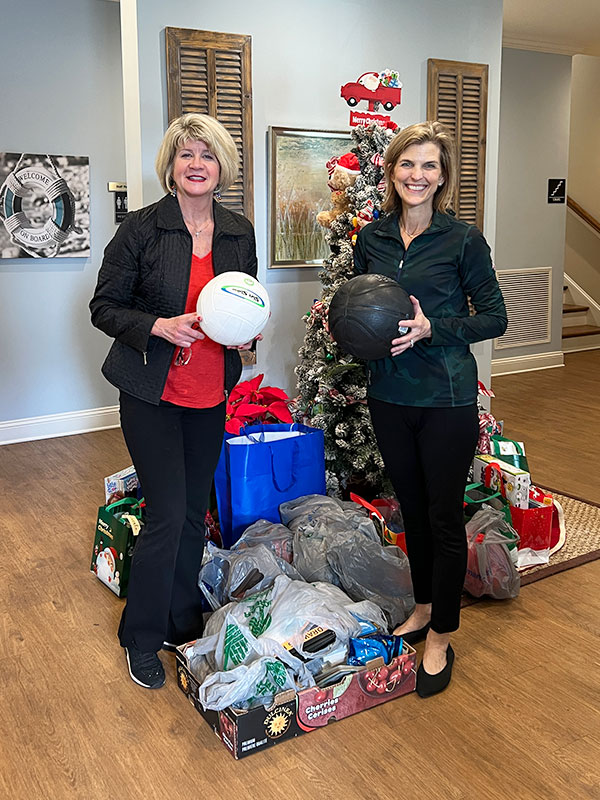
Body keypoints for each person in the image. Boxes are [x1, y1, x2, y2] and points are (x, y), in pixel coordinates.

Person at [90, 113, 259, 689]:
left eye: (207, 155)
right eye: (186, 154)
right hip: (151, 394)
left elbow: (244, 303)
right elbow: (104, 307)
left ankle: (180, 620)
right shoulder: (141, 229)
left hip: (210, 393)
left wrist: (247, 329)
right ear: (171, 165)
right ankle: (139, 636)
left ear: (221, 168)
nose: (196, 165)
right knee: (165, 514)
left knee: (192, 514)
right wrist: (158, 325)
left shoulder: (238, 231)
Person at [353, 121, 507, 698]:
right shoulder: (372, 238)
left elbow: (494, 318)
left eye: (429, 167)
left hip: (445, 398)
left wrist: (430, 329)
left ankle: (442, 633)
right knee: (411, 511)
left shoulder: (463, 241)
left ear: (442, 177)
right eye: (407, 165)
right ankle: (422, 606)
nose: (417, 176)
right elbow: (362, 307)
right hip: (388, 395)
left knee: (443, 518)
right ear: (392, 171)